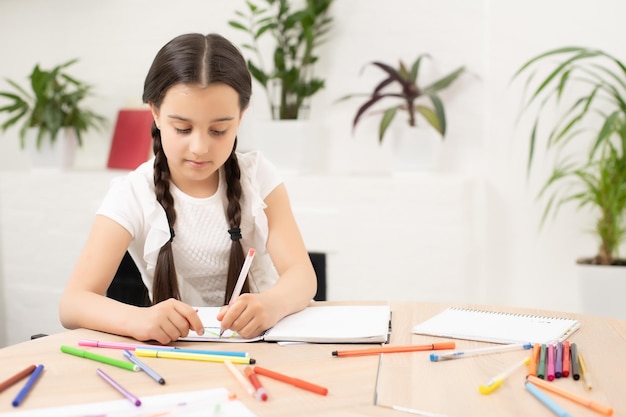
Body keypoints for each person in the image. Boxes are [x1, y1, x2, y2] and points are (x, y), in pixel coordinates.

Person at [59, 33, 317, 344]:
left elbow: (302, 277)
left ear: (241, 117)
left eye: (219, 130)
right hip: (178, 354)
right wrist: (138, 319)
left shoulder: (257, 175)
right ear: (155, 112)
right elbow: (73, 304)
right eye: (182, 128)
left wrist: (271, 305)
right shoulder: (133, 193)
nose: (199, 147)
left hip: (265, 347)